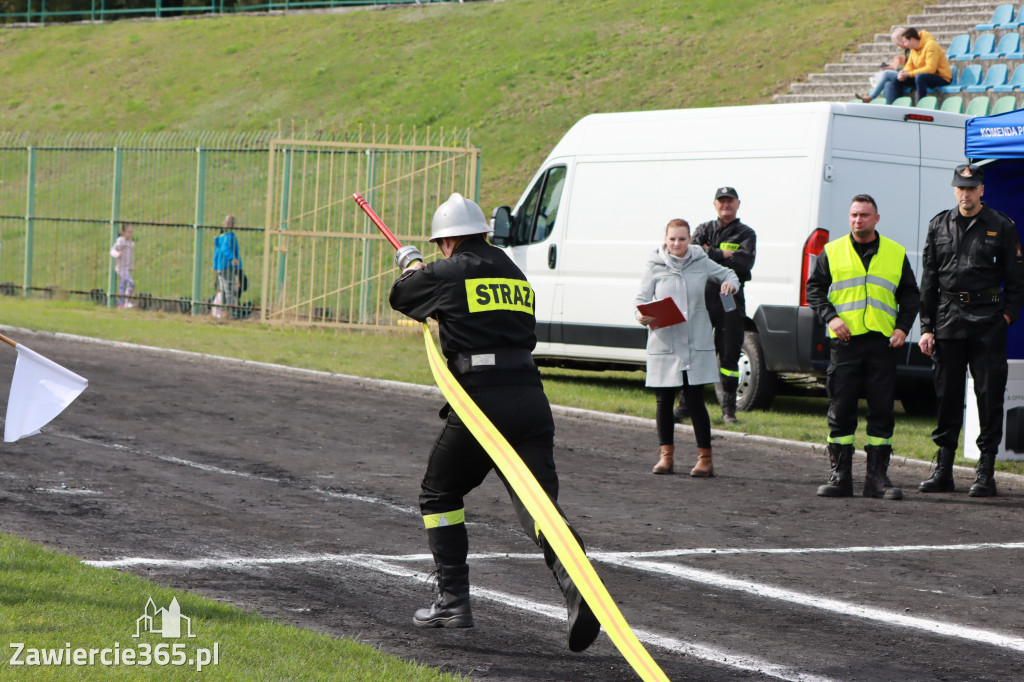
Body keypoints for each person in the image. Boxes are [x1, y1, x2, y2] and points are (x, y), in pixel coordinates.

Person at [388, 192, 601, 652]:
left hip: (482, 401)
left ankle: (453, 601)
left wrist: (412, 265)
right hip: (530, 396)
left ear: (446, 242)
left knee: (439, 492)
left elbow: (403, 297)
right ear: (483, 231)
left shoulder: (448, 270)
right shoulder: (514, 272)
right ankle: (579, 587)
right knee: (540, 507)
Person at [918, 164, 1024, 497]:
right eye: (960, 188)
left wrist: (1006, 317)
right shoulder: (939, 225)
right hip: (948, 320)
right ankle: (944, 470)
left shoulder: (1001, 226)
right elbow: (929, 281)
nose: (965, 193)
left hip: (988, 322)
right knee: (946, 396)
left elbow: (1017, 281)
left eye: (971, 187)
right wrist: (926, 327)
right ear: (955, 190)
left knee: (989, 397)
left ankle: (985, 473)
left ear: (982, 190)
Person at [805, 195, 920, 499]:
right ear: (849, 217)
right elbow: (814, 290)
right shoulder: (832, 251)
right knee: (840, 408)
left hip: (882, 343)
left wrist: (902, 327)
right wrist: (830, 318)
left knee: (882, 409)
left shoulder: (895, 252)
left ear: (876, 219)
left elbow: (910, 295)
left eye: (865, 215)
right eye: (854, 215)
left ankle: (876, 479)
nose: (859, 220)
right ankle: (840, 477)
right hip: (845, 343)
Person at [635, 218, 739, 477]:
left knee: (694, 401)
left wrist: (730, 285)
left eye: (682, 238)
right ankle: (666, 457)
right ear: (665, 239)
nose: (677, 243)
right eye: (672, 239)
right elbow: (641, 300)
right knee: (664, 401)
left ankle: (705, 459)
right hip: (665, 341)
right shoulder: (654, 264)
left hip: (695, 343)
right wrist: (641, 316)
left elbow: (729, 274)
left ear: (690, 239)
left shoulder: (701, 261)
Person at [679, 186, 757, 424]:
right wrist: (721, 254)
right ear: (715, 204)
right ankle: (686, 406)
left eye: (730, 201)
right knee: (695, 351)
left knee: (729, 354)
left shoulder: (746, 234)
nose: (726, 205)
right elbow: (692, 255)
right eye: (721, 201)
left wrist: (710, 252)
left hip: (729, 298)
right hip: (702, 295)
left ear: (738, 204)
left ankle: (728, 410)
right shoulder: (704, 229)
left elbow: (743, 263)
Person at [894, 27, 951, 103]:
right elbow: (909, 65)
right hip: (923, 76)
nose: (904, 44)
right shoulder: (913, 49)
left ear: (912, 39)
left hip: (941, 77)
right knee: (898, 80)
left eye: (905, 41)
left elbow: (930, 69)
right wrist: (903, 73)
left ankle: (921, 106)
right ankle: (898, 105)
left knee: (920, 78)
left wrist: (909, 74)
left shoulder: (931, 45)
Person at [856, 26, 909, 104]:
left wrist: (894, 67)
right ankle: (888, 108)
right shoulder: (907, 51)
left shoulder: (911, 50)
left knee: (886, 73)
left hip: (909, 75)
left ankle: (871, 97)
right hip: (904, 73)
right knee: (888, 84)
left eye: (898, 44)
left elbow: (909, 68)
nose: (899, 46)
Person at [213, 214, 242, 318]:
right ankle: (231, 312)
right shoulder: (230, 237)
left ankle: (224, 311)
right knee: (229, 289)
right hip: (227, 266)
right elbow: (225, 248)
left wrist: (215, 265)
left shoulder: (221, 237)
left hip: (220, 267)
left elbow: (217, 252)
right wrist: (232, 258)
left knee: (224, 289)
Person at [109, 223, 135, 309]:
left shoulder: (130, 243)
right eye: (128, 232)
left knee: (122, 286)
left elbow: (130, 256)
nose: (130, 234)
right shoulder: (121, 241)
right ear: (123, 232)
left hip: (126, 268)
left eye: (131, 232)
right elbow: (112, 250)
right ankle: (127, 301)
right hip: (121, 268)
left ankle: (120, 304)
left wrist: (131, 266)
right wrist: (117, 254)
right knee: (131, 283)